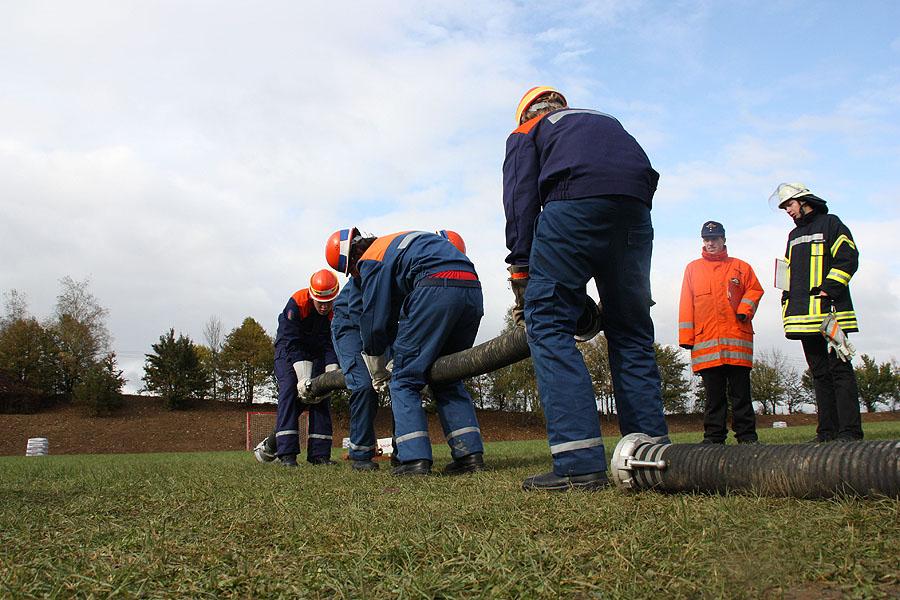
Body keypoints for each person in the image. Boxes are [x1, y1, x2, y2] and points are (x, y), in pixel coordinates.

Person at [502, 86, 669, 491]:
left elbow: (521, 197)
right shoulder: (604, 120)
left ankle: (578, 464)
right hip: (635, 212)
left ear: (527, 113)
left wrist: (522, 266)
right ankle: (651, 456)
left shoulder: (528, 131)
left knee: (549, 324)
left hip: (570, 206)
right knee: (630, 330)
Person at [325, 228, 486, 476]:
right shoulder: (402, 243)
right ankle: (469, 456)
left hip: (435, 289)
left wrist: (379, 363)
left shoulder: (372, 259)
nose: (355, 277)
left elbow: (374, 319)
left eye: (351, 271)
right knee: (448, 376)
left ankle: (414, 460)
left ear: (354, 258)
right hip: (472, 290)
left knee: (403, 380)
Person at [772, 183, 863, 442]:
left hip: (830, 313)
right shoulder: (792, 236)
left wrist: (829, 288)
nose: (788, 211)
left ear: (804, 201)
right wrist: (786, 299)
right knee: (820, 373)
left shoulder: (831, 224)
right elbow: (787, 275)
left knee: (840, 371)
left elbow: (848, 257)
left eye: (789, 205)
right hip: (802, 317)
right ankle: (827, 433)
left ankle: (850, 432)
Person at [679, 221, 764, 444]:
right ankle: (714, 437)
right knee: (713, 397)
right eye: (707, 239)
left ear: (724, 240)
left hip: (737, 343)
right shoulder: (692, 269)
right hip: (706, 344)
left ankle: (747, 437)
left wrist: (744, 310)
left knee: (741, 395)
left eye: (715, 239)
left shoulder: (741, 267)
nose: (710, 243)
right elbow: (686, 304)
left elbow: (755, 290)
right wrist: (686, 339)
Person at [255, 269, 341, 467]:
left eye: (329, 301)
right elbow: (293, 342)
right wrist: (303, 377)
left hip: (318, 353)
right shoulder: (297, 303)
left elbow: (331, 344)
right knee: (289, 392)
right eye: (320, 301)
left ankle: (320, 455)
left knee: (322, 396)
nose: (324, 306)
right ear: (312, 295)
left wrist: (331, 374)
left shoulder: (336, 310)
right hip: (288, 351)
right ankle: (287, 454)